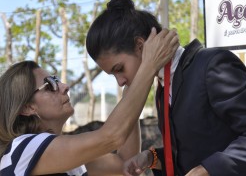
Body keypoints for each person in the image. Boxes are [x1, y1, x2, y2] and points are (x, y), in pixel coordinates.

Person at [86, 0, 246, 176]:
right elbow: (189, 153)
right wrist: (151, 158)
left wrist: (207, 170)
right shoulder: (163, 87)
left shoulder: (210, 65)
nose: (120, 82)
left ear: (140, 46)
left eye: (119, 69)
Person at [0, 28, 179, 175]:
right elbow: (111, 137)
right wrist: (149, 65)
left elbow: (124, 164)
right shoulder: (23, 148)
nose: (64, 86)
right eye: (50, 85)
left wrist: (132, 82)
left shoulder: (63, 155)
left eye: (57, 79)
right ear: (27, 107)